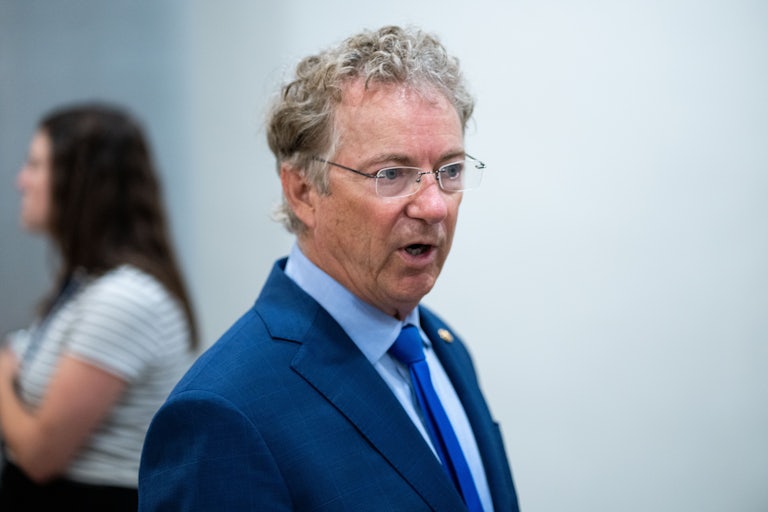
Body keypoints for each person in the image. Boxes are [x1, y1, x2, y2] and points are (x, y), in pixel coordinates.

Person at [139, 25, 520, 511]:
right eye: (392, 174)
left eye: (449, 170)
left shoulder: (442, 350)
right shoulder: (224, 412)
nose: (434, 207)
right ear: (302, 192)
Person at [0, 103, 198, 511]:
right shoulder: (89, 284)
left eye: (35, 165)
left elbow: (40, 456)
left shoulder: (124, 298)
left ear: (78, 182)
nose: (21, 181)